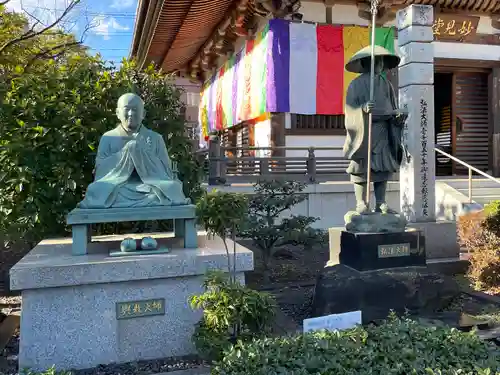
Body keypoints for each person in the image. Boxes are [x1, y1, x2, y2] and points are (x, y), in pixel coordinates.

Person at [78, 93, 190, 209]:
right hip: (119, 188)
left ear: (143, 114)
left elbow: (166, 172)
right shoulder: (108, 138)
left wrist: (143, 155)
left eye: (135, 110)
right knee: (96, 190)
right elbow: (100, 171)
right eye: (127, 109)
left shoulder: (155, 138)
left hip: (150, 187)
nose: (131, 114)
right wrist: (127, 152)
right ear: (118, 113)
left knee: (172, 188)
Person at [343, 45, 408, 214]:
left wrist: (397, 117)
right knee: (362, 168)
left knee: (382, 168)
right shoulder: (356, 85)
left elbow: (392, 106)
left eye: (381, 62)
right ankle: (361, 203)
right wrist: (363, 110)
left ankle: (380, 202)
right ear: (367, 63)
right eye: (377, 61)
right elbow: (349, 109)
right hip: (365, 132)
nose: (380, 65)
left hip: (383, 130)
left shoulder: (387, 84)